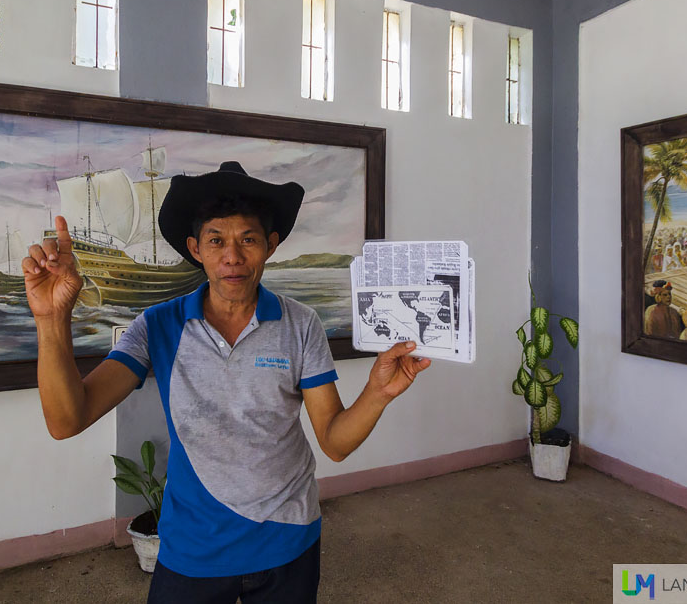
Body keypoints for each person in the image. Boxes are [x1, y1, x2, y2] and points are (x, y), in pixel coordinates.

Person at [22, 161, 431, 603]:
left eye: (248, 240)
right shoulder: (158, 326)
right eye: (217, 240)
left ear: (270, 246)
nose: (232, 256)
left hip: (286, 542)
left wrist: (378, 392)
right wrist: (51, 318)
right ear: (196, 248)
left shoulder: (301, 324)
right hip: (192, 551)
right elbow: (67, 419)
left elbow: (333, 441)